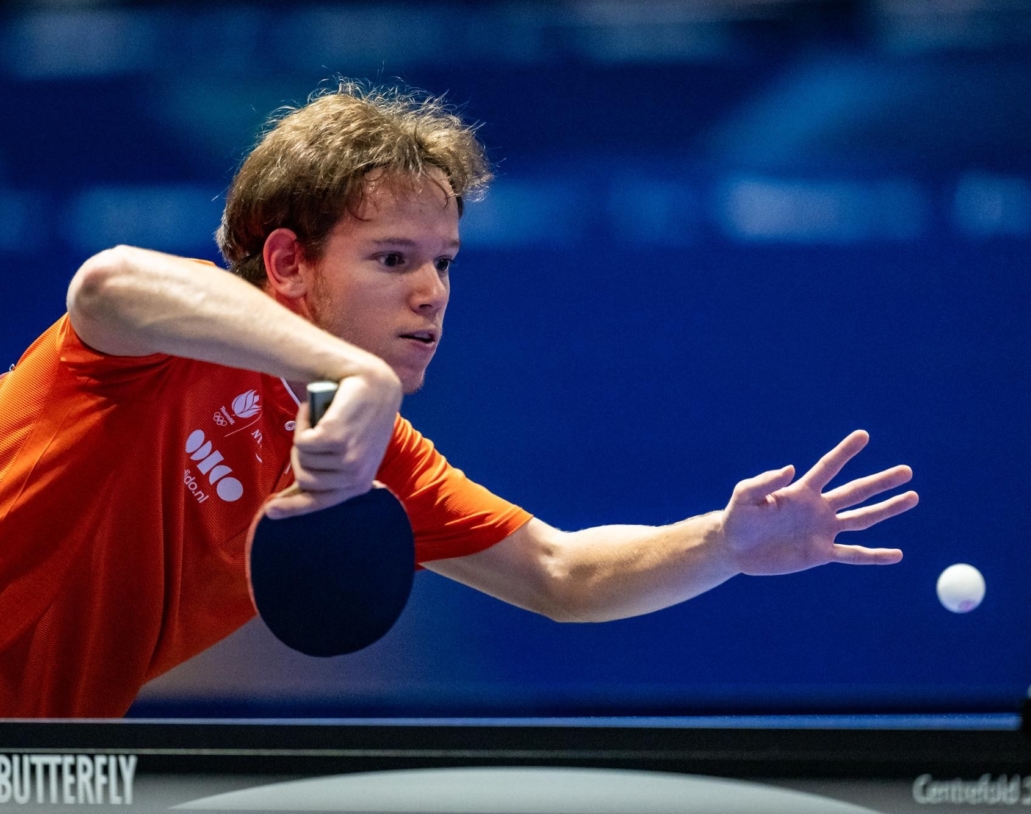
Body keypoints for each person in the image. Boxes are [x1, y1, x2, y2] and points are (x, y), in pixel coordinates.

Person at [0, 82, 918, 717]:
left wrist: (721, 545)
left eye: (443, 262)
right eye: (392, 258)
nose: (431, 292)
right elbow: (108, 284)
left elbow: (559, 573)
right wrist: (351, 373)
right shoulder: (164, 346)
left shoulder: (379, 458)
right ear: (286, 262)